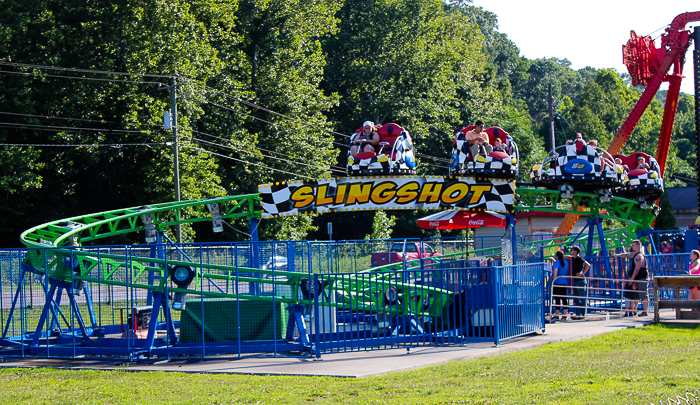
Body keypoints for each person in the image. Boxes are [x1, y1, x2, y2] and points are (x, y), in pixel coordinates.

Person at [615, 240, 649, 317]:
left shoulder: (639, 256)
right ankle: (634, 310)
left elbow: (637, 268)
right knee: (636, 296)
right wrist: (618, 255)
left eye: (633, 245)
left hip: (642, 278)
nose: (632, 246)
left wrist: (632, 278)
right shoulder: (634, 254)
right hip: (637, 278)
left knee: (643, 295)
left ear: (638, 246)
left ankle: (645, 311)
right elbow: (627, 254)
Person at [564, 246, 590, 320]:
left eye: (571, 250)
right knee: (576, 298)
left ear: (575, 251)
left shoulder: (579, 259)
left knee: (582, 298)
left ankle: (582, 314)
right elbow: (568, 257)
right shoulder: (573, 258)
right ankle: (578, 313)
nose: (570, 251)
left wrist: (582, 273)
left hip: (580, 281)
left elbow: (588, 265)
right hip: (575, 281)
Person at [551, 250, 570, 320]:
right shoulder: (566, 262)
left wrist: (554, 277)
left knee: (557, 299)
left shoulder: (556, 263)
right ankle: (565, 314)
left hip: (557, 282)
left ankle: (556, 314)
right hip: (564, 282)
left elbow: (555, 270)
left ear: (557, 256)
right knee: (564, 298)